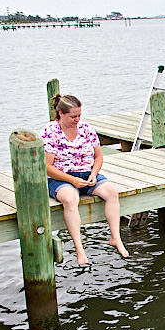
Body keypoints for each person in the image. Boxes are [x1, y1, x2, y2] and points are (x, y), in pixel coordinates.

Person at [43, 94, 128, 265]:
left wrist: (94, 174)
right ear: (60, 113)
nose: (77, 119)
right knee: (70, 199)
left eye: (79, 115)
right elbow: (47, 167)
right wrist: (72, 180)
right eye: (73, 116)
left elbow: (98, 157)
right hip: (61, 178)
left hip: (87, 174)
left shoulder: (86, 128)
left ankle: (115, 238)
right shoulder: (50, 131)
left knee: (112, 192)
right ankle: (79, 249)